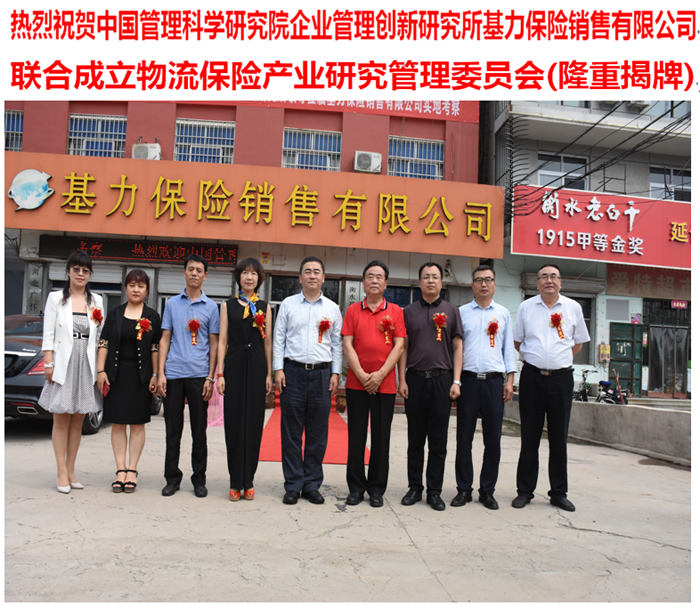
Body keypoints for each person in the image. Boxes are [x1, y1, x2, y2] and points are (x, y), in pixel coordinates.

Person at [512, 263, 590, 512]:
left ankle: (558, 493)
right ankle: (525, 491)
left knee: (558, 438)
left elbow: (578, 343)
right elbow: (517, 341)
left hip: (561, 380)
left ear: (560, 282)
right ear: (537, 283)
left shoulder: (573, 307)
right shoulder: (526, 307)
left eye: (553, 276)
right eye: (544, 276)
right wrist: (538, 358)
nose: (549, 280)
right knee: (529, 437)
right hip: (532, 378)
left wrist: (557, 360)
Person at [273, 256, 343, 505]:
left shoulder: (332, 308)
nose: (312, 275)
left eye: (316, 272)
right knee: (291, 432)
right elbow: (279, 338)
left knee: (317, 433)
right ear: (300, 277)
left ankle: (312, 484)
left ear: (323, 277)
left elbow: (337, 344)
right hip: (292, 373)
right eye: (307, 271)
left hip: (322, 375)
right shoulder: (288, 304)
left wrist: (336, 373)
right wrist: (278, 369)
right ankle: (293, 484)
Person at [398, 262, 463, 511]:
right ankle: (415, 487)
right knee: (415, 439)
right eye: (426, 277)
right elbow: (403, 347)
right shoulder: (408, 311)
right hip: (414, 379)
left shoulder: (452, 311)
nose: (431, 281)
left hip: (442, 380)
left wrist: (456, 380)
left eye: (435, 277)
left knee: (438, 441)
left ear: (441, 282)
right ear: (420, 282)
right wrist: (402, 379)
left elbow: (457, 347)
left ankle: (434, 491)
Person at [451, 265, 516, 511]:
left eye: (488, 280)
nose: (484, 284)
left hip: (493, 382)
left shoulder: (503, 314)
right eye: (479, 280)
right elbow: (455, 349)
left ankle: (487, 491)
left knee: (493, 440)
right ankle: (463, 489)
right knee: (464, 438)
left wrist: (509, 380)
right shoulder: (461, 313)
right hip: (468, 381)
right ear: (472, 284)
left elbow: (508, 349)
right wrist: (456, 381)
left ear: (495, 284)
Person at [342, 260, 406, 508]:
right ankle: (356, 488)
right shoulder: (352, 310)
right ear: (363, 282)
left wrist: (379, 375)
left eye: (379, 277)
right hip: (356, 384)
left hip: (385, 384)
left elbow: (399, 346)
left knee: (381, 438)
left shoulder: (396, 311)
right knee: (356, 437)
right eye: (370, 276)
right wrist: (361, 374)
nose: (374, 280)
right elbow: (347, 344)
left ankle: (377, 489)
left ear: (386, 283)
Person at [39, 251, 104, 494]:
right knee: (61, 418)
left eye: (85, 270)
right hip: (63, 362)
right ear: (68, 272)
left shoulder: (96, 300)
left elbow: (99, 336)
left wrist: (100, 368)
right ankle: (60, 471)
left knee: (78, 420)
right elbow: (48, 333)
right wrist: (48, 363)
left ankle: (71, 469)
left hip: (86, 362)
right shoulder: (56, 298)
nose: (80, 274)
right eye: (76, 269)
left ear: (90, 275)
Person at [157, 254, 220, 498]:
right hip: (173, 374)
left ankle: (199, 479)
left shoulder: (211, 307)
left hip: (199, 376)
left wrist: (210, 377)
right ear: (184, 273)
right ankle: (172, 478)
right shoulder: (172, 304)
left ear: (205, 276)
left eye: (199, 270)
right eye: (190, 269)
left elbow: (214, 344)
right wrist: (160, 373)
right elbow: (165, 339)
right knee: (172, 430)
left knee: (199, 431)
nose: (194, 273)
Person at [97, 270, 161, 494]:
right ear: (125, 288)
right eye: (132, 285)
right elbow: (103, 343)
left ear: (147, 290)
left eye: (141, 286)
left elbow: (155, 348)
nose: (136, 289)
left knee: (137, 424)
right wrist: (100, 371)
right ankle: (120, 469)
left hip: (141, 377)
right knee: (117, 423)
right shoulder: (114, 313)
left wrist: (155, 374)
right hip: (116, 375)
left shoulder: (152, 316)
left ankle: (132, 469)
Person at [216, 258, 272, 502]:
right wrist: (220, 373)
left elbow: (268, 343)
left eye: (254, 273)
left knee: (254, 422)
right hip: (235, 363)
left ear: (259, 279)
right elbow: (222, 341)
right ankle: (234, 480)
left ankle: (248, 480)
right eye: (245, 273)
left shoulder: (265, 307)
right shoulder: (227, 306)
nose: (249, 277)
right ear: (238, 277)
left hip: (257, 365)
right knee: (234, 421)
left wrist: (269, 373)